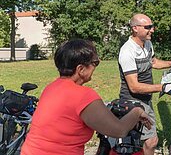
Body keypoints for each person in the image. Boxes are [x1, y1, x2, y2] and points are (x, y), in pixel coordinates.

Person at [21, 39, 152, 155]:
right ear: (81, 69)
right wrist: (137, 111)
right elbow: (119, 130)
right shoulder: (84, 96)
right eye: (95, 63)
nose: (96, 67)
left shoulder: (51, 88)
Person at [118, 13, 171, 155]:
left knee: (145, 141)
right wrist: (163, 87)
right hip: (132, 102)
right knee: (148, 141)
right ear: (135, 28)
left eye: (152, 26)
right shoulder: (127, 51)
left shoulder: (147, 44)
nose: (152, 30)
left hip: (145, 99)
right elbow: (134, 86)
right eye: (148, 27)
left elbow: (153, 62)